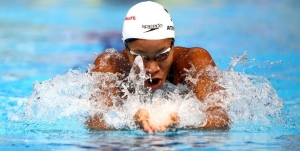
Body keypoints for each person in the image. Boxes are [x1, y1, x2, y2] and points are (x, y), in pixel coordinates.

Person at [87, 1, 229, 134]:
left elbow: (220, 119)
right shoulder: (110, 65)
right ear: (126, 49)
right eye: (140, 57)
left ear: (173, 47)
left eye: (162, 56)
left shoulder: (193, 61)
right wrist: (130, 121)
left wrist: (182, 123)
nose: (151, 68)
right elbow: (95, 123)